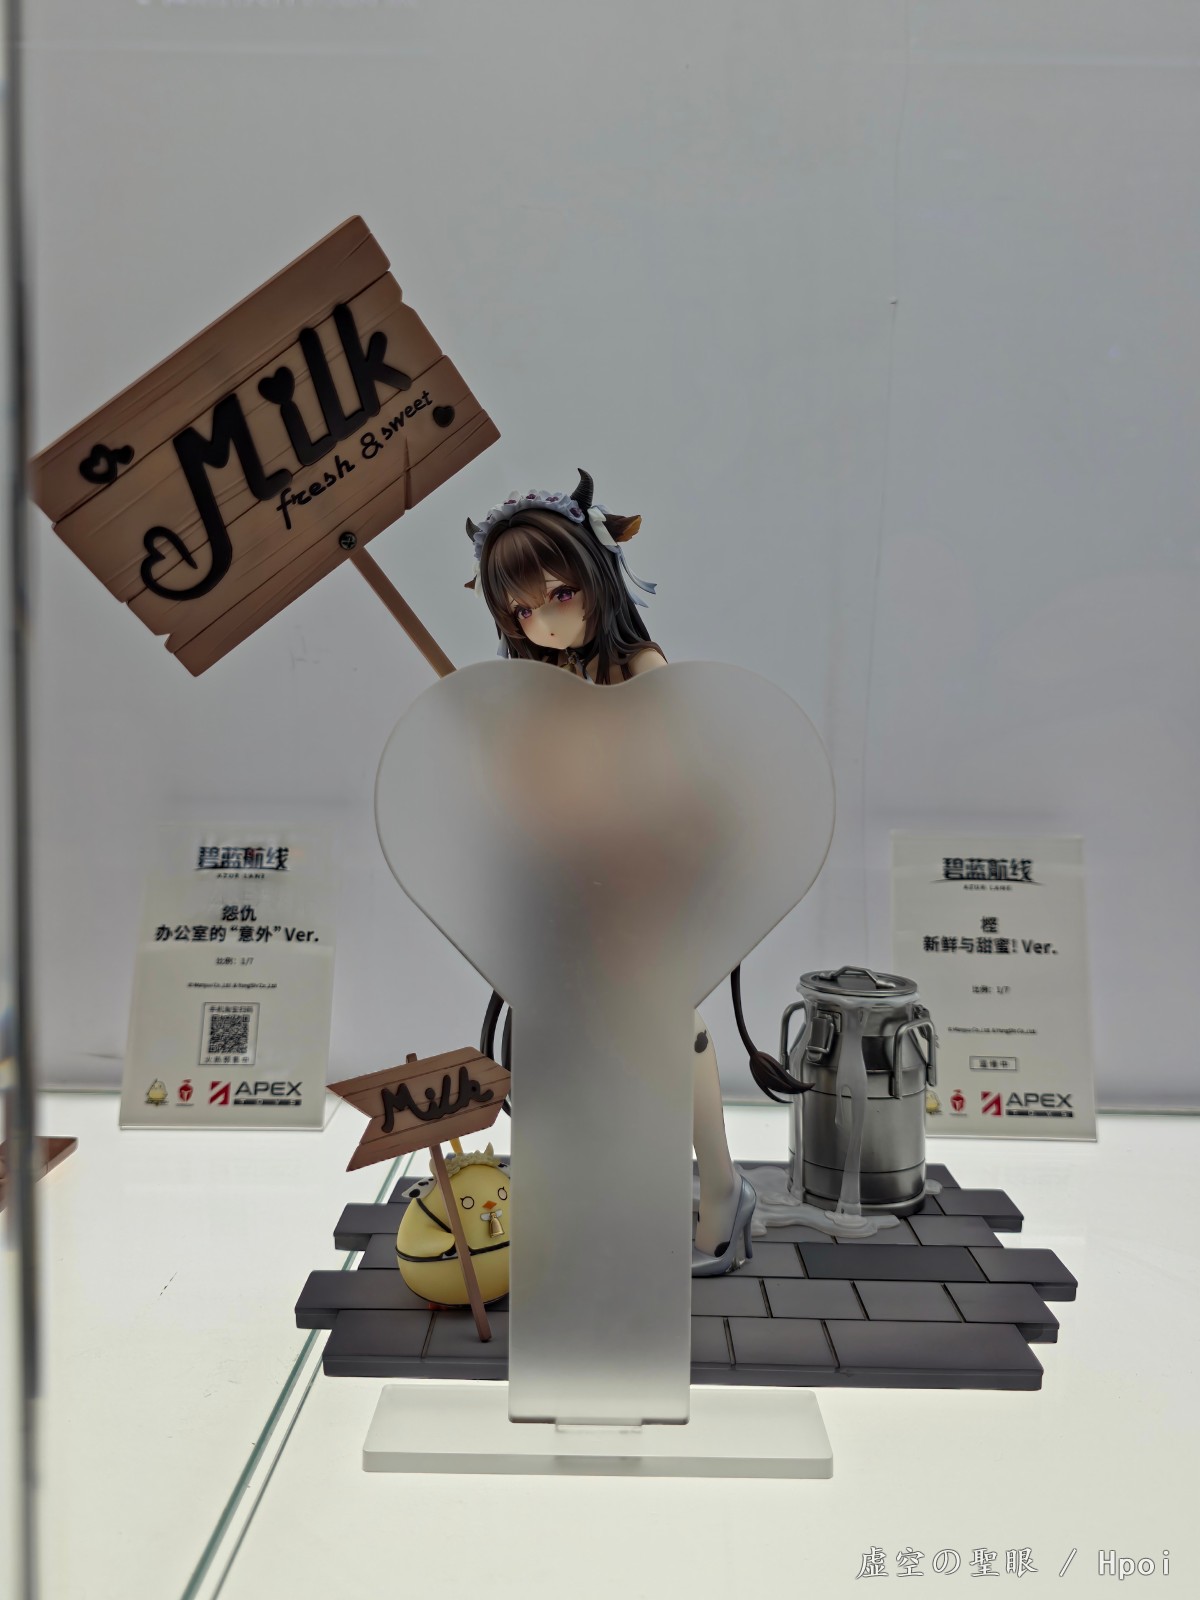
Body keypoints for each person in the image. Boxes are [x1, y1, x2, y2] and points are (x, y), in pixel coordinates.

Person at [466, 470, 798, 1274]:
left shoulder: (637, 668)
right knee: (603, 1040)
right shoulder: (551, 682)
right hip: (582, 890)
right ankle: (624, 1195)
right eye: (523, 610)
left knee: (665, 1030)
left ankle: (719, 1190)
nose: (545, 621)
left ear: (598, 577)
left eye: (559, 594)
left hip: (651, 881)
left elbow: (682, 781)